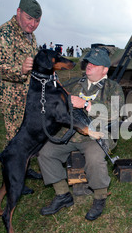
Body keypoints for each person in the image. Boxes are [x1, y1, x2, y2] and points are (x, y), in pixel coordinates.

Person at [37, 47, 124, 221]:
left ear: (105, 70)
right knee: (45, 153)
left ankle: (100, 196)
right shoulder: (76, 84)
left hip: (97, 135)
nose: (89, 65)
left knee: (94, 157)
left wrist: (85, 105)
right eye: (88, 62)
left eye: (95, 63)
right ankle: (62, 194)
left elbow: (116, 112)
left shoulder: (113, 88)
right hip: (71, 132)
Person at [0, 0, 43, 184]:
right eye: (30, 18)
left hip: (29, 95)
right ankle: (11, 180)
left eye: (37, 20)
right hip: (12, 97)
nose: (33, 24)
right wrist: (19, 70)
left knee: (26, 138)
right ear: (18, 12)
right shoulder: (3, 34)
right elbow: (0, 69)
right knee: (15, 141)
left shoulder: (30, 36)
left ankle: (24, 170)